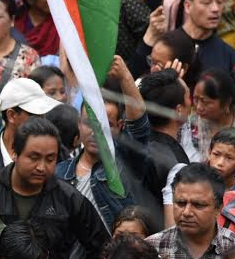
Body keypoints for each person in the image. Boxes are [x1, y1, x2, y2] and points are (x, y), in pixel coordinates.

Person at [0, 118, 109, 259]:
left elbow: (102, 250)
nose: (41, 167)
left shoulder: (69, 199)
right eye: (34, 158)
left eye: (50, 159)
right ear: (15, 153)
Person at [56, 56, 158, 231]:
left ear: (119, 127)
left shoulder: (127, 161)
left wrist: (125, 77)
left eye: (106, 125)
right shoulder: (60, 173)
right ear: (79, 124)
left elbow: (139, 126)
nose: (95, 132)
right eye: (89, 123)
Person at [0, 77, 61, 173]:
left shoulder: (56, 154)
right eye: (34, 115)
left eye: (42, 114)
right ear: (11, 115)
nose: (41, 121)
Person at [179, 69, 235, 163]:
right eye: (195, 99)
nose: (198, 107)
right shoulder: (185, 126)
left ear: (227, 102)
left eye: (205, 102)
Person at [165, 0, 235, 72]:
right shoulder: (167, 46)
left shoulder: (230, 56)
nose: (215, 9)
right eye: (207, 2)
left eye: (219, 2)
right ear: (188, 6)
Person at [139, 69, 191, 190]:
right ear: (178, 111)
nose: (191, 103)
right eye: (189, 96)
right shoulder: (176, 164)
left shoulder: (133, 140)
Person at [206, 127, 235, 194]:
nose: (220, 163)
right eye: (216, 154)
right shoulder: (196, 182)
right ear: (209, 153)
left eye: (229, 158)